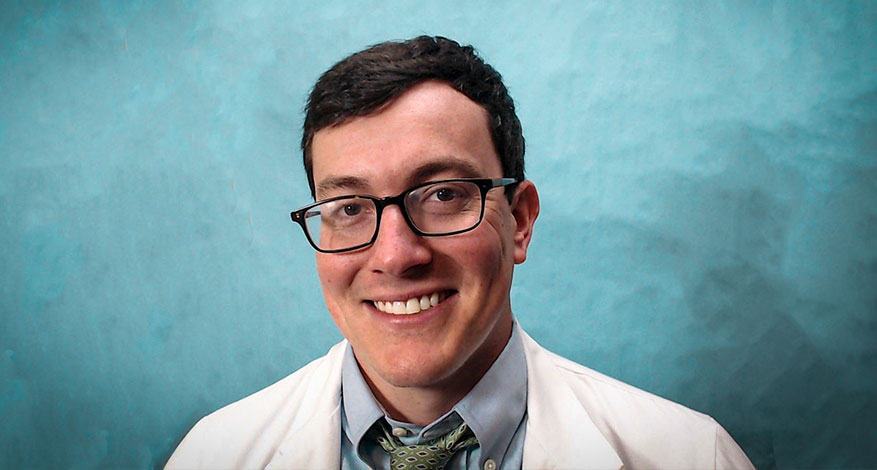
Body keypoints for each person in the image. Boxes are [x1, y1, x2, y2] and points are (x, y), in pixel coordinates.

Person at [166, 36, 754, 469]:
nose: (396, 256)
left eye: (443, 195)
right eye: (349, 207)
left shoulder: (693, 456)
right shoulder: (211, 455)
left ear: (519, 221)